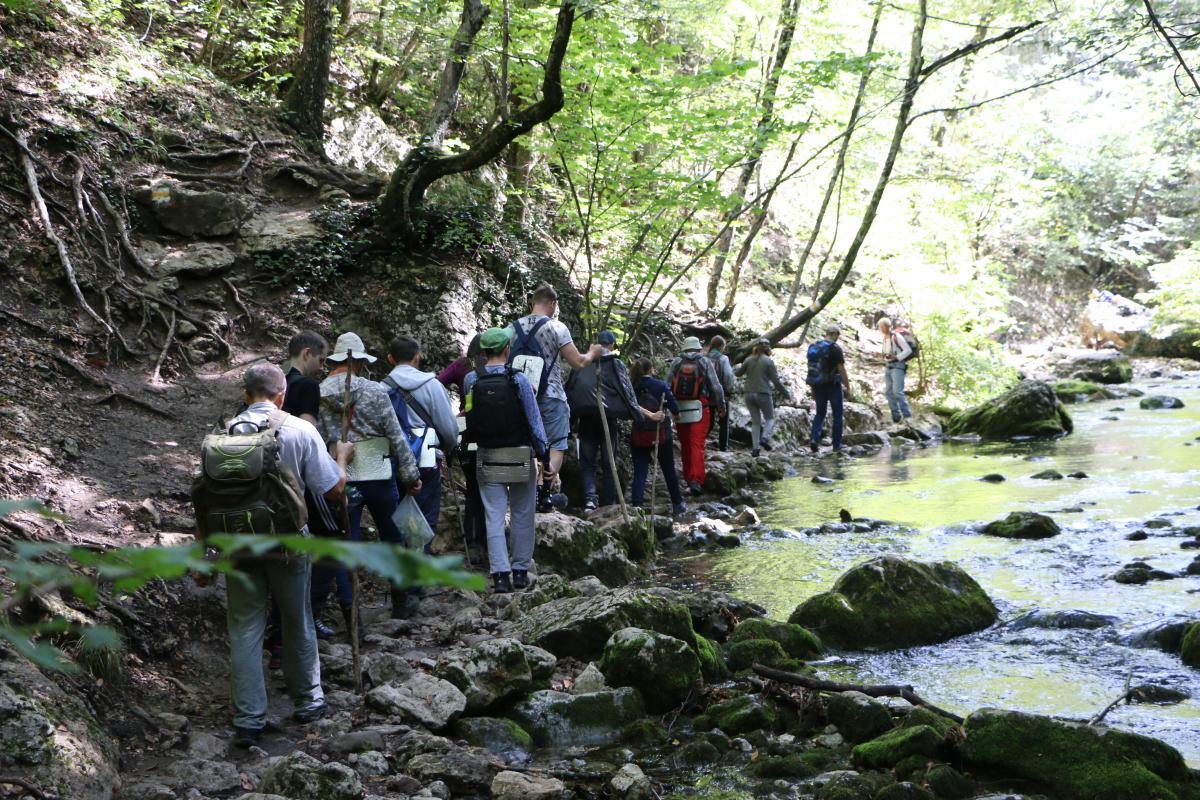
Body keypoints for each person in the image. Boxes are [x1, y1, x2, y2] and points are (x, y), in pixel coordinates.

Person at [220, 363, 354, 748]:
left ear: (246, 394)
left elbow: (210, 497)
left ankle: (248, 718)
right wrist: (341, 457)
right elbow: (332, 489)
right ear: (281, 396)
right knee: (297, 618)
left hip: (240, 544)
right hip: (288, 542)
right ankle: (308, 701)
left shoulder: (223, 433)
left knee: (245, 626)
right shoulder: (299, 428)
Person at [316, 332, 422, 618]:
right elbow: (395, 434)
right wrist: (410, 473)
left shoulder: (320, 393)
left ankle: (352, 614)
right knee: (391, 536)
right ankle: (402, 601)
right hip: (377, 471)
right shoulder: (375, 391)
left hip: (339, 474)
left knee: (345, 545)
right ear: (360, 362)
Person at [463, 327, 548, 593]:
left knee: (493, 514)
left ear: (483, 351)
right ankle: (520, 571)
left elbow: (469, 414)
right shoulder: (519, 380)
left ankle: (500, 574)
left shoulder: (470, 380)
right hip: (520, 454)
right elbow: (534, 421)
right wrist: (544, 453)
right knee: (523, 512)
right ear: (507, 349)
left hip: (487, 455)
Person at [509, 284, 603, 512]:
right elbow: (578, 362)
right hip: (551, 395)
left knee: (527, 445)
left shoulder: (511, 329)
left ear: (533, 302)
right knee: (557, 444)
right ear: (552, 303)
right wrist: (593, 352)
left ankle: (527, 494)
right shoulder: (556, 327)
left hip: (520, 396)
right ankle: (544, 494)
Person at [566, 331, 659, 512]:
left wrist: (569, 422)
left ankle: (590, 501)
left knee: (587, 461)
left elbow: (570, 390)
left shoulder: (582, 362)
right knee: (609, 461)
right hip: (608, 419)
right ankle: (609, 503)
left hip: (586, 419)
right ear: (612, 345)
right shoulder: (616, 364)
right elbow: (627, 392)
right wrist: (638, 418)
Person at [384, 335, 460, 531]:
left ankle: (399, 558)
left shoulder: (381, 388)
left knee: (396, 518)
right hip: (426, 459)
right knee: (424, 519)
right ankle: (420, 557)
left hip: (392, 460)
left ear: (390, 358)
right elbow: (450, 431)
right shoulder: (432, 385)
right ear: (417, 357)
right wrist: (446, 448)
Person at [667, 336, 726, 495]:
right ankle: (696, 480)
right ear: (698, 348)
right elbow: (716, 387)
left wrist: (668, 409)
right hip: (700, 407)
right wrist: (721, 405)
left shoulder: (676, 362)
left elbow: (667, 386)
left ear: (684, 348)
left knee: (685, 444)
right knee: (697, 444)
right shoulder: (705, 362)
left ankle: (688, 478)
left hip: (680, 409)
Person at [629, 357, 685, 515]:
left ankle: (637, 505)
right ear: (651, 369)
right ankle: (677, 503)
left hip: (639, 433)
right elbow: (673, 405)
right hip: (661, 433)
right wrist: (676, 414)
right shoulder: (660, 385)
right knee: (668, 469)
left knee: (640, 470)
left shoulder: (631, 386)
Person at [736, 338, 790, 457]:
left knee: (756, 422)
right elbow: (775, 380)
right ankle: (764, 438)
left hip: (748, 394)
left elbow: (738, 373)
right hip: (763, 393)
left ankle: (755, 449)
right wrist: (785, 393)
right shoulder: (768, 362)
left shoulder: (748, 359)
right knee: (770, 418)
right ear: (768, 348)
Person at [806, 324, 851, 453]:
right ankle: (836, 445)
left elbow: (811, 368)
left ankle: (814, 439)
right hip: (833, 386)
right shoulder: (835, 348)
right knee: (837, 415)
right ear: (835, 334)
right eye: (838, 335)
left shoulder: (814, 346)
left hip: (817, 385)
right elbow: (841, 369)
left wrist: (812, 387)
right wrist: (848, 387)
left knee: (820, 413)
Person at [877, 317, 913, 424]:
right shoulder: (885, 338)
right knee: (888, 392)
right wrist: (884, 357)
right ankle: (896, 417)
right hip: (888, 367)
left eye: (881, 326)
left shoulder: (896, 336)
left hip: (898, 367)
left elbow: (908, 350)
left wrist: (896, 357)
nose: (880, 328)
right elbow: (887, 355)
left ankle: (907, 416)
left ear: (886, 326)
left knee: (897, 392)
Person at [706, 336, 736, 451]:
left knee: (709, 421)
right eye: (724, 346)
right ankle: (723, 447)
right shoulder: (723, 359)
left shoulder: (704, 358)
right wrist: (729, 390)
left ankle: (699, 441)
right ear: (720, 346)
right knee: (723, 421)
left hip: (706, 395)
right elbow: (728, 376)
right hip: (720, 394)